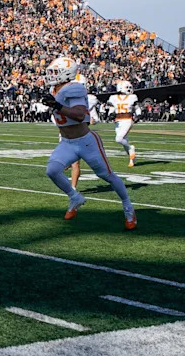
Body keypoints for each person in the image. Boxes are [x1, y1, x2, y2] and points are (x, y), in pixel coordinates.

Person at [41, 56, 136, 229]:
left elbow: (78, 114)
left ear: (66, 73)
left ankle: (128, 207)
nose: (52, 76)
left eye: (55, 72)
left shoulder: (74, 89)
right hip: (67, 142)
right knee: (52, 170)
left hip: (86, 142)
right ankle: (75, 196)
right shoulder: (56, 90)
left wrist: (57, 106)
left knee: (107, 175)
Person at [107, 80, 140, 167]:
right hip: (118, 120)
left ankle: (131, 148)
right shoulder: (113, 98)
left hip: (128, 119)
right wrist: (110, 115)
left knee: (119, 139)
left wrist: (139, 115)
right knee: (124, 140)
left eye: (130, 87)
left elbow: (137, 108)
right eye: (127, 87)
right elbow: (111, 110)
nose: (129, 89)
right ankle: (132, 159)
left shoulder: (132, 97)